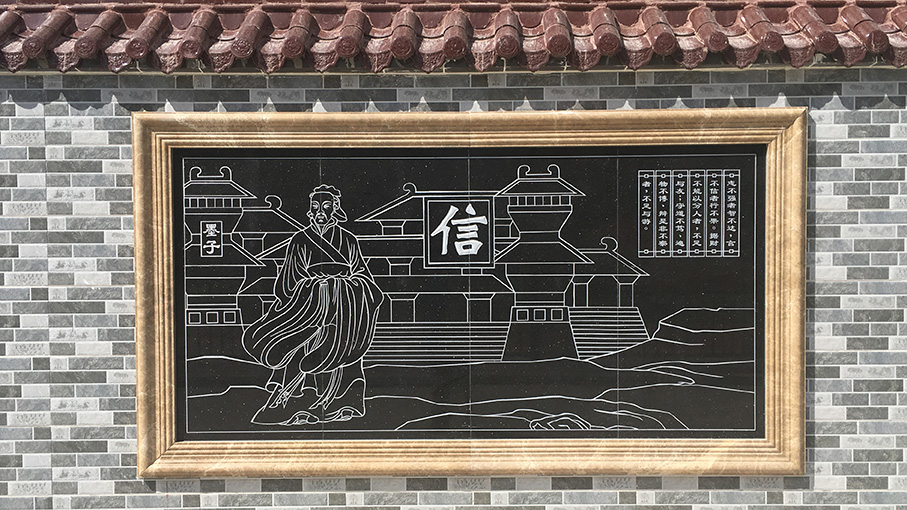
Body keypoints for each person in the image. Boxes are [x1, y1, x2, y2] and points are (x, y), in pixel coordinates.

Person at [242, 184, 384, 425]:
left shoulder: (348, 240)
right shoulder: (300, 240)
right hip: (308, 311)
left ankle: (343, 404)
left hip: (344, 310)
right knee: (303, 350)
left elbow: (363, 276)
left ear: (335, 209)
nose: (320, 212)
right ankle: (299, 406)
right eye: (315, 207)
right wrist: (318, 290)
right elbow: (288, 283)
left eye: (326, 207)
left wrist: (341, 289)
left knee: (341, 349)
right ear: (309, 210)